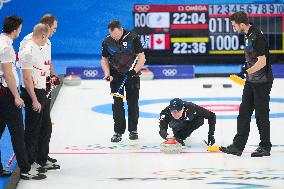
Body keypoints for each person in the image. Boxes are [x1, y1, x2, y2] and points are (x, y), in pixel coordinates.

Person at [220, 11, 274, 157]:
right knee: (244, 112)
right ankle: (237, 146)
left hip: (262, 81)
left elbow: (262, 62)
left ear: (241, 24)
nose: (233, 28)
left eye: (234, 25)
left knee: (261, 114)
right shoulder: (247, 34)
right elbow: (252, 58)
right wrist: (246, 69)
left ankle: (265, 146)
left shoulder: (256, 36)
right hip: (252, 80)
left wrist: (246, 72)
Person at [0, 16, 46, 180]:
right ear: (15, 29)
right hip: (6, 94)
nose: (20, 31)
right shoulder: (5, 47)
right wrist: (16, 96)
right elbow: (8, 74)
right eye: (20, 29)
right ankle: (26, 169)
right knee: (18, 132)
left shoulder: (1, 40)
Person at [19, 14, 60, 170]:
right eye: (54, 28)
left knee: (45, 126)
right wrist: (34, 98)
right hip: (33, 90)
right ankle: (29, 161)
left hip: (44, 87)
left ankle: (42, 158)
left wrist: (53, 76)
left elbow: (47, 63)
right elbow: (26, 74)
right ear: (47, 27)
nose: (55, 31)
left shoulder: (47, 41)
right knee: (33, 127)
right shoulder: (28, 44)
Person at [101, 20, 146, 142]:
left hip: (132, 74)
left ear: (121, 30)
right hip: (116, 75)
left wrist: (135, 71)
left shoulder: (133, 37)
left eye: (116, 35)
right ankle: (118, 131)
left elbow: (142, 57)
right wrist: (107, 73)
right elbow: (104, 59)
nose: (114, 38)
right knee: (117, 104)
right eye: (112, 36)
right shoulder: (106, 41)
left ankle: (133, 130)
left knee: (132, 103)